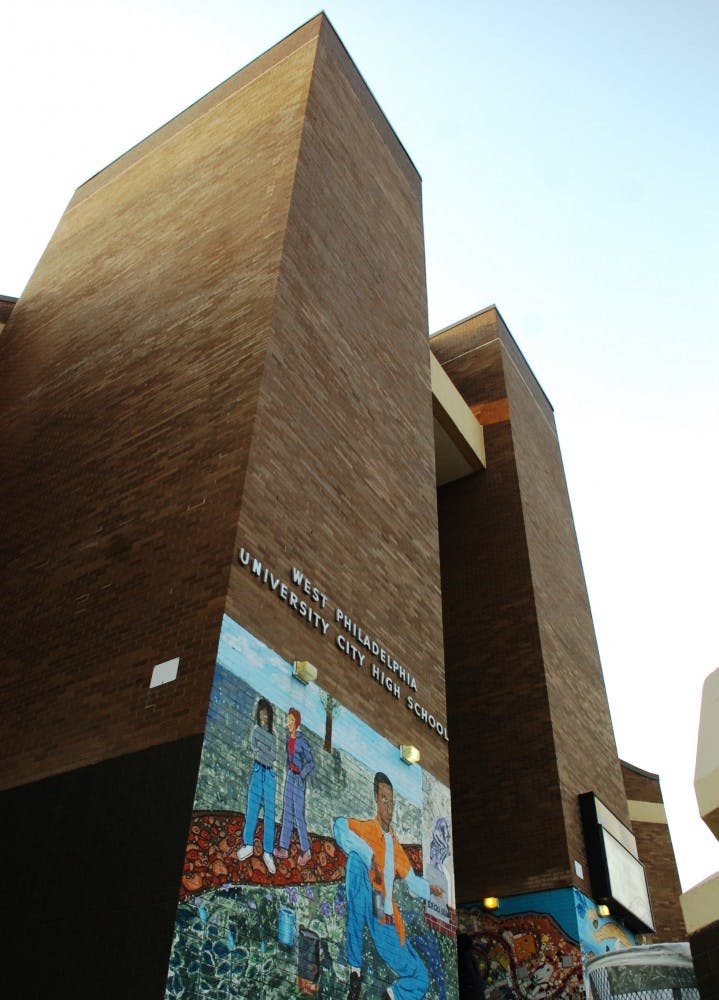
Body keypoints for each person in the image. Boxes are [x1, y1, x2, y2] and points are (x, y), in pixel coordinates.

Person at [334, 772, 443, 1000]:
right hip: (367, 897)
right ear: (375, 799)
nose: (389, 807)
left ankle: (390, 995)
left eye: (392, 801)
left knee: (421, 978)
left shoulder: (394, 844)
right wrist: (368, 855)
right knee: (355, 861)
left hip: (382, 912)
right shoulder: (367, 829)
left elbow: (412, 882)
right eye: (384, 800)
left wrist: (430, 890)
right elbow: (339, 827)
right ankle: (355, 973)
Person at [237, 698, 277, 875]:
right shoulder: (255, 730)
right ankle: (248, 845)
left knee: (269, 813)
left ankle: (268, 852)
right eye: (261, 712)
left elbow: (272, 756)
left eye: (266, 712)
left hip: (269, 773)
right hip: (257, 770)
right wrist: (262, 753)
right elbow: (255, 749)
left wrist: (262, 753)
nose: (263, 715)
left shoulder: (272, 736)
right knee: (252, 808)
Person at [274, 707, 315, 865]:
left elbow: (311, 762)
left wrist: (302, 775)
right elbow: (288, 758)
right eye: (288, 720)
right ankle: (283, 848)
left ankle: (306, 851)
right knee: (287, 811)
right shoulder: (287, 738)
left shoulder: (301, 742)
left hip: (299, 779)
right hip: (291, 776)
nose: (289, 723)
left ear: (296, 723)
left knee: (298, 814)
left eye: (291, 721)